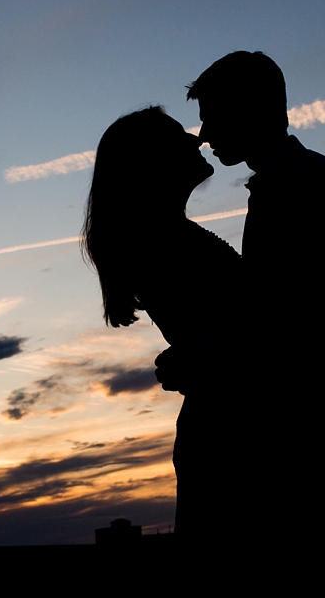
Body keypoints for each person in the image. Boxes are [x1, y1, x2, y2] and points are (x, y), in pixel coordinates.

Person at [175, 51, 325, 590]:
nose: (204, 135)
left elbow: (298, 313)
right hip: (321, 413)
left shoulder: (302, 185)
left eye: (212, 117)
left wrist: (209, 352)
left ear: (249, 111)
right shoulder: (293, 182)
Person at [82, 106, 258, 573]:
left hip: (226, 429)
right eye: (180, 136)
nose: (197, 140)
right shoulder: (163, 243)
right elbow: (243, 333)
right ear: (152, 161)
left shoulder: (169, 237)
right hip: (230, 438)